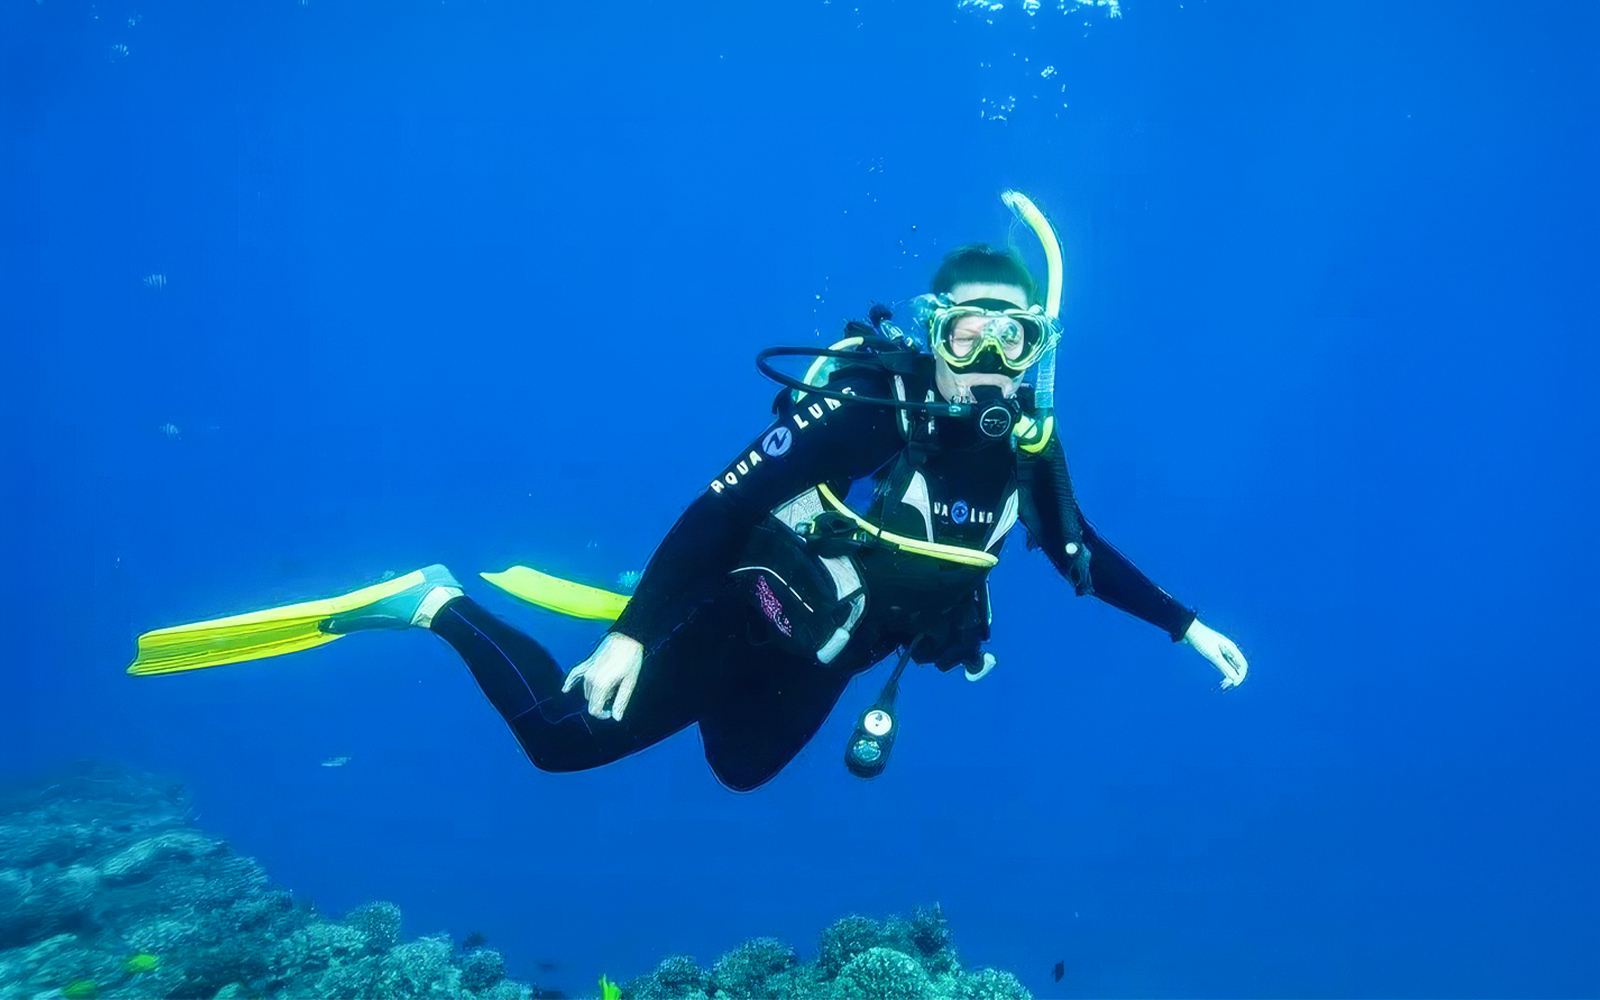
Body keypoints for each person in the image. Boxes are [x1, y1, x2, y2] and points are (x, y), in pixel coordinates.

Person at [128, 192, 1248, 792]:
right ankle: (434, 600)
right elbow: (715, 507)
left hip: (826, 655)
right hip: (745, 613)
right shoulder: (870, 411)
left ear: (1034, 343)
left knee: (741, 772)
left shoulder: (1029, 445)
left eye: (1012, 336)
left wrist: (1186, 626)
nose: (988, 357)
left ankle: (645, 621)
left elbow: (1078, 554)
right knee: (563, 746)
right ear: (932, 329)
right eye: (967, 329)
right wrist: (627, 634)